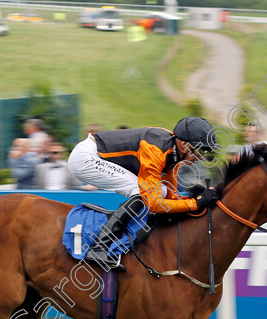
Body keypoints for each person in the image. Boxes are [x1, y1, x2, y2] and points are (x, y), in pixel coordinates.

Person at [67, 116, 221, 270]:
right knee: (140, 193)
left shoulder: (173, 150)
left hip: (96, 155)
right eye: (199, 151)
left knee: (161, 190)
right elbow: (154, 204)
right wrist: (195, 204)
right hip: (86, 158)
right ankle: (100, 247)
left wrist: (199, 201)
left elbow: (171, 195)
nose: (201, 157)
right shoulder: (155, 151)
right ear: (184, 145)